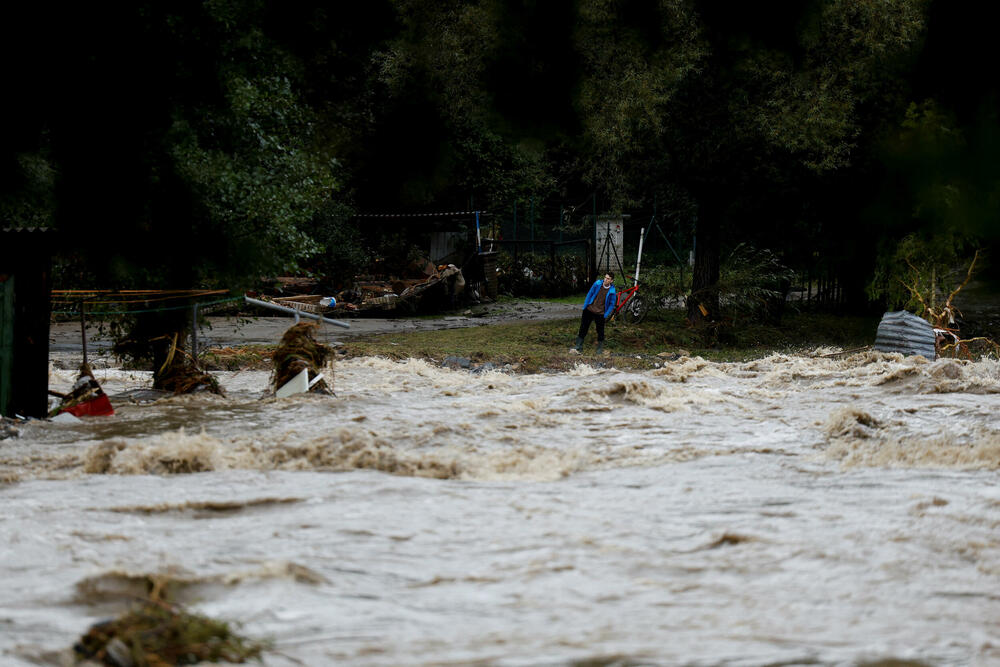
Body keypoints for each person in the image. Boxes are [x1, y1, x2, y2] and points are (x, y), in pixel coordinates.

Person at [574, 272, 616, 354]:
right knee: (583, 327)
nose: (605, 280)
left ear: (611, 281)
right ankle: (578, 346)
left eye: (608, 279)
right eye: (605, 277)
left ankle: (599, 349)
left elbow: (612, 304)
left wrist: (606, 314)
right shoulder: (597, 284)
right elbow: (590, 294)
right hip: (589, 309)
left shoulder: (612, 291)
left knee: (600, 331)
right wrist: (585, 306)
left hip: (600, 313)